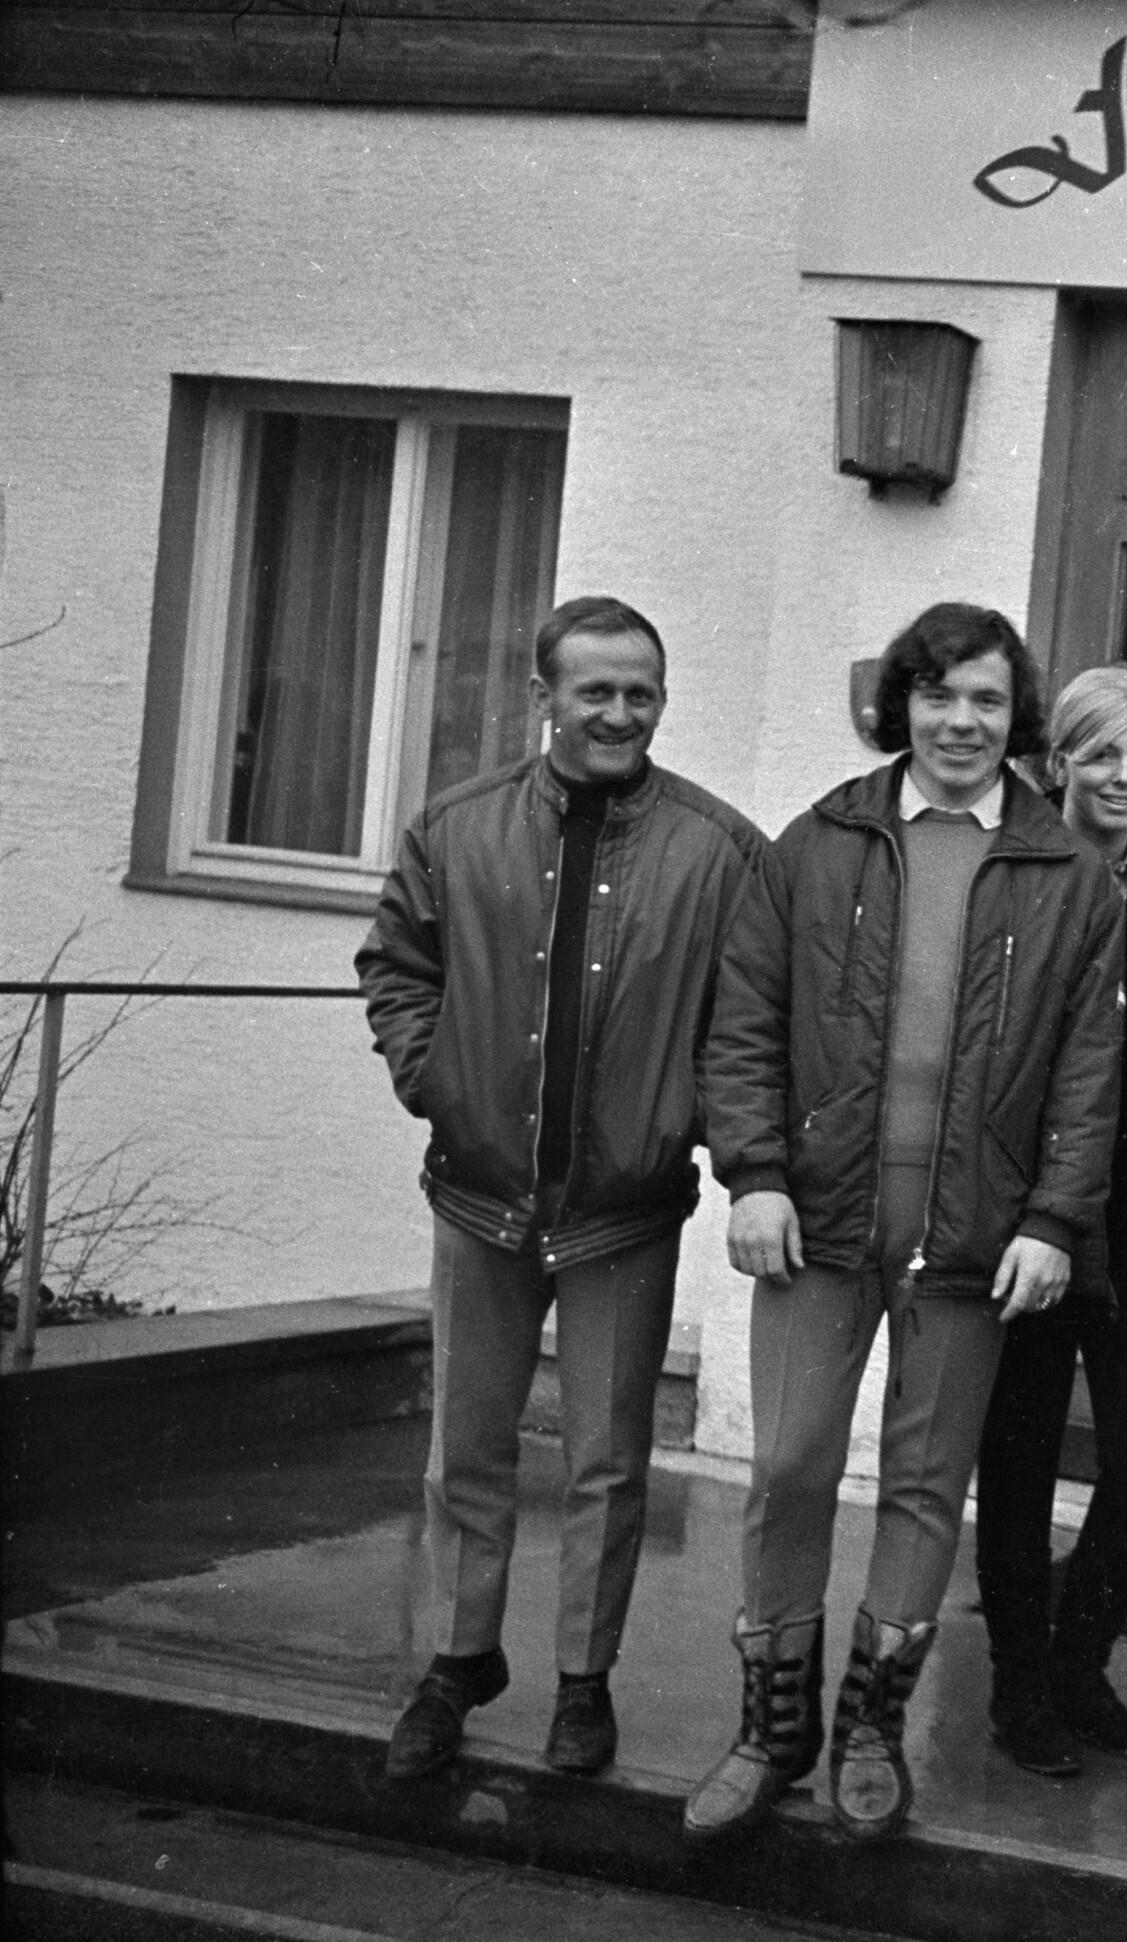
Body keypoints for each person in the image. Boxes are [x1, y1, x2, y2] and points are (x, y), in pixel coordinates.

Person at [684, 603, 1124, 1845]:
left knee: (927, 1487)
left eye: (987, 700)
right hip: (818, 1223)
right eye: (938, 696)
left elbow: (1091, 1068)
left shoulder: (1068, 873)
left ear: (1016, 716)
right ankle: (770, 1731)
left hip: (973, 1240)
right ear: (902, 706)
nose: (961, 723)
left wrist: (1054, 1219)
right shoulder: (818, 843)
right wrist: (753, 1175)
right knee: (789, 1466)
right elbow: (744, 1021)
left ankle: (869, 1730)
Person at [359, 594, 769, 1784]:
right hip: (478, 1195)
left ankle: (584, 1683)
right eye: (596, 691)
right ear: (543, 697)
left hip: (623, 1215)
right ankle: (457, 1662)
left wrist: (694, 1127)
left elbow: (748, 1021)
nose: (620, 713)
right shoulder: (456, 828)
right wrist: (433, 1080)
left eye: (641, 692)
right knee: (467, 1449)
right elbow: (397, 964)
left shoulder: (720, 851)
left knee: (607, 1462)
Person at [972, 665, 1127, 1773]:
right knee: (1019, 1460)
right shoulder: (1016, 865)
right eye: (1104, 755)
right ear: (1057, 761)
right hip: (1029, 1214)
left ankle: (1080, 1667)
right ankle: (1019, 1687)